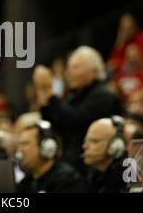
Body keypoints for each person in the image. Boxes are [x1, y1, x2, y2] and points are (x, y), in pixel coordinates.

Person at [32, 46, 122, 175]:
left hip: (93, 169)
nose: (68, 73)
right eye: (68, 68)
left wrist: (51, 94)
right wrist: (43, 98)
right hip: (74, 163)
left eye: (75, 68)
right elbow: (56, 126)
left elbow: (75, 122)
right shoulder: (77, 95)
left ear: (94, 71)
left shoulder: (103, 95)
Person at [16, 121, 87, 193]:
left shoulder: (68, 180)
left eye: (25, 144)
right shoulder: (26, 182)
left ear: (46, 147)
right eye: (19, 145)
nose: (19, 150)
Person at [82, 117, 128, 193]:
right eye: (86, 140)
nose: (85, 146)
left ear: (115, 145)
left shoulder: (127, 176)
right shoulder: (94, 174)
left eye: (94, 141)